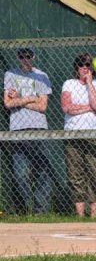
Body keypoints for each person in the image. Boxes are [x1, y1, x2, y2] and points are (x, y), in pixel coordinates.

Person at [3, 47, 53, 215]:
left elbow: (43, 106)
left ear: (34, 56)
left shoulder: (41, 76)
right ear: (18, 57)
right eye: (22, 56)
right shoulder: (10, 75)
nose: (25, 59)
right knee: (20, 174)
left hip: (38, 128)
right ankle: (26, 210)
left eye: (28, 56)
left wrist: (20, 99)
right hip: (18, 129)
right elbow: (8, 104)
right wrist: (31, 98)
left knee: (42, 172)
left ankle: (41, 211)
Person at [61, 53, 96, 218]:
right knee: (76, 175)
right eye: (81, 64)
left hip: (95, 135)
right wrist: (90, 108)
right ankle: (80, 216)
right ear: (76, 68)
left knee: (94, 174)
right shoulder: (69, 84)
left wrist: (89, 83)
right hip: (73, 134)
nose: (85, 68)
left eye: (88, 65)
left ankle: (94, 216)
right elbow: (67, 108)